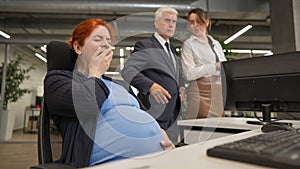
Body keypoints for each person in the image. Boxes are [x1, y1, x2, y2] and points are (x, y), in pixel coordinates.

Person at [44, 18, 175, 168]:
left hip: (157, 159)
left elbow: (145, 116)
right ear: (78, 47)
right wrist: (95, 72)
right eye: (98, 39)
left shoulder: (119, 85)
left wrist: (161, 133)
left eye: (108, 41)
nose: (106, 44)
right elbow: (87, 104)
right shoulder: (58, 80)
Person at [121, 7, 185, 143]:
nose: (171, 24)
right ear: (156, 23)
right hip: (154, 113)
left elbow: (175, 74)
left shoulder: (172, 49)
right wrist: (151, 86)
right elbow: (128, 71)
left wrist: (181, 86)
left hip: (173, 114)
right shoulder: (145, 45)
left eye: (174, 22)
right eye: (167, 20)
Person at [181, 8, 227, 119]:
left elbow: (224, 66)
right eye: (192, 22)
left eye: (199, 21)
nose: (195, 25)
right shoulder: (188, 45)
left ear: (207, 22)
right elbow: (189, 74)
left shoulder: (216, 44)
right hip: (200, 92)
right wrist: (215, 66)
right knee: (200, 129)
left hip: (218, 92)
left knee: (220, 130)